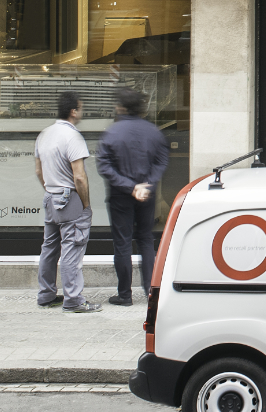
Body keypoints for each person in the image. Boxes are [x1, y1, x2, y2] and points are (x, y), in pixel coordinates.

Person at [96, 88, 169, 305]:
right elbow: (161, 161)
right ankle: (151, 292)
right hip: (146, 194)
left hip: (120, 195)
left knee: (122, 243)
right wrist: (146, 185)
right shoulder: (153, 132)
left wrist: (130, 187)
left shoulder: (112, 133)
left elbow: (104, 166)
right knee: (146, 240)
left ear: (121, 107)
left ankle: (125, 295)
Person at [36, 91, 101, 314]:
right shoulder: (73, 136)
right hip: (69, 198)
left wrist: (50, 190)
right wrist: (86, 205)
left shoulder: (44, 134)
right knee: (72, 249)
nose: (82, 112)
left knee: (49, 249)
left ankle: (46, 295)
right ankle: (73, 300)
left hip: (50, 197)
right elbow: (79, 176)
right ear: (74, 111)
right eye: (81, 108)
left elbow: (39, 171)